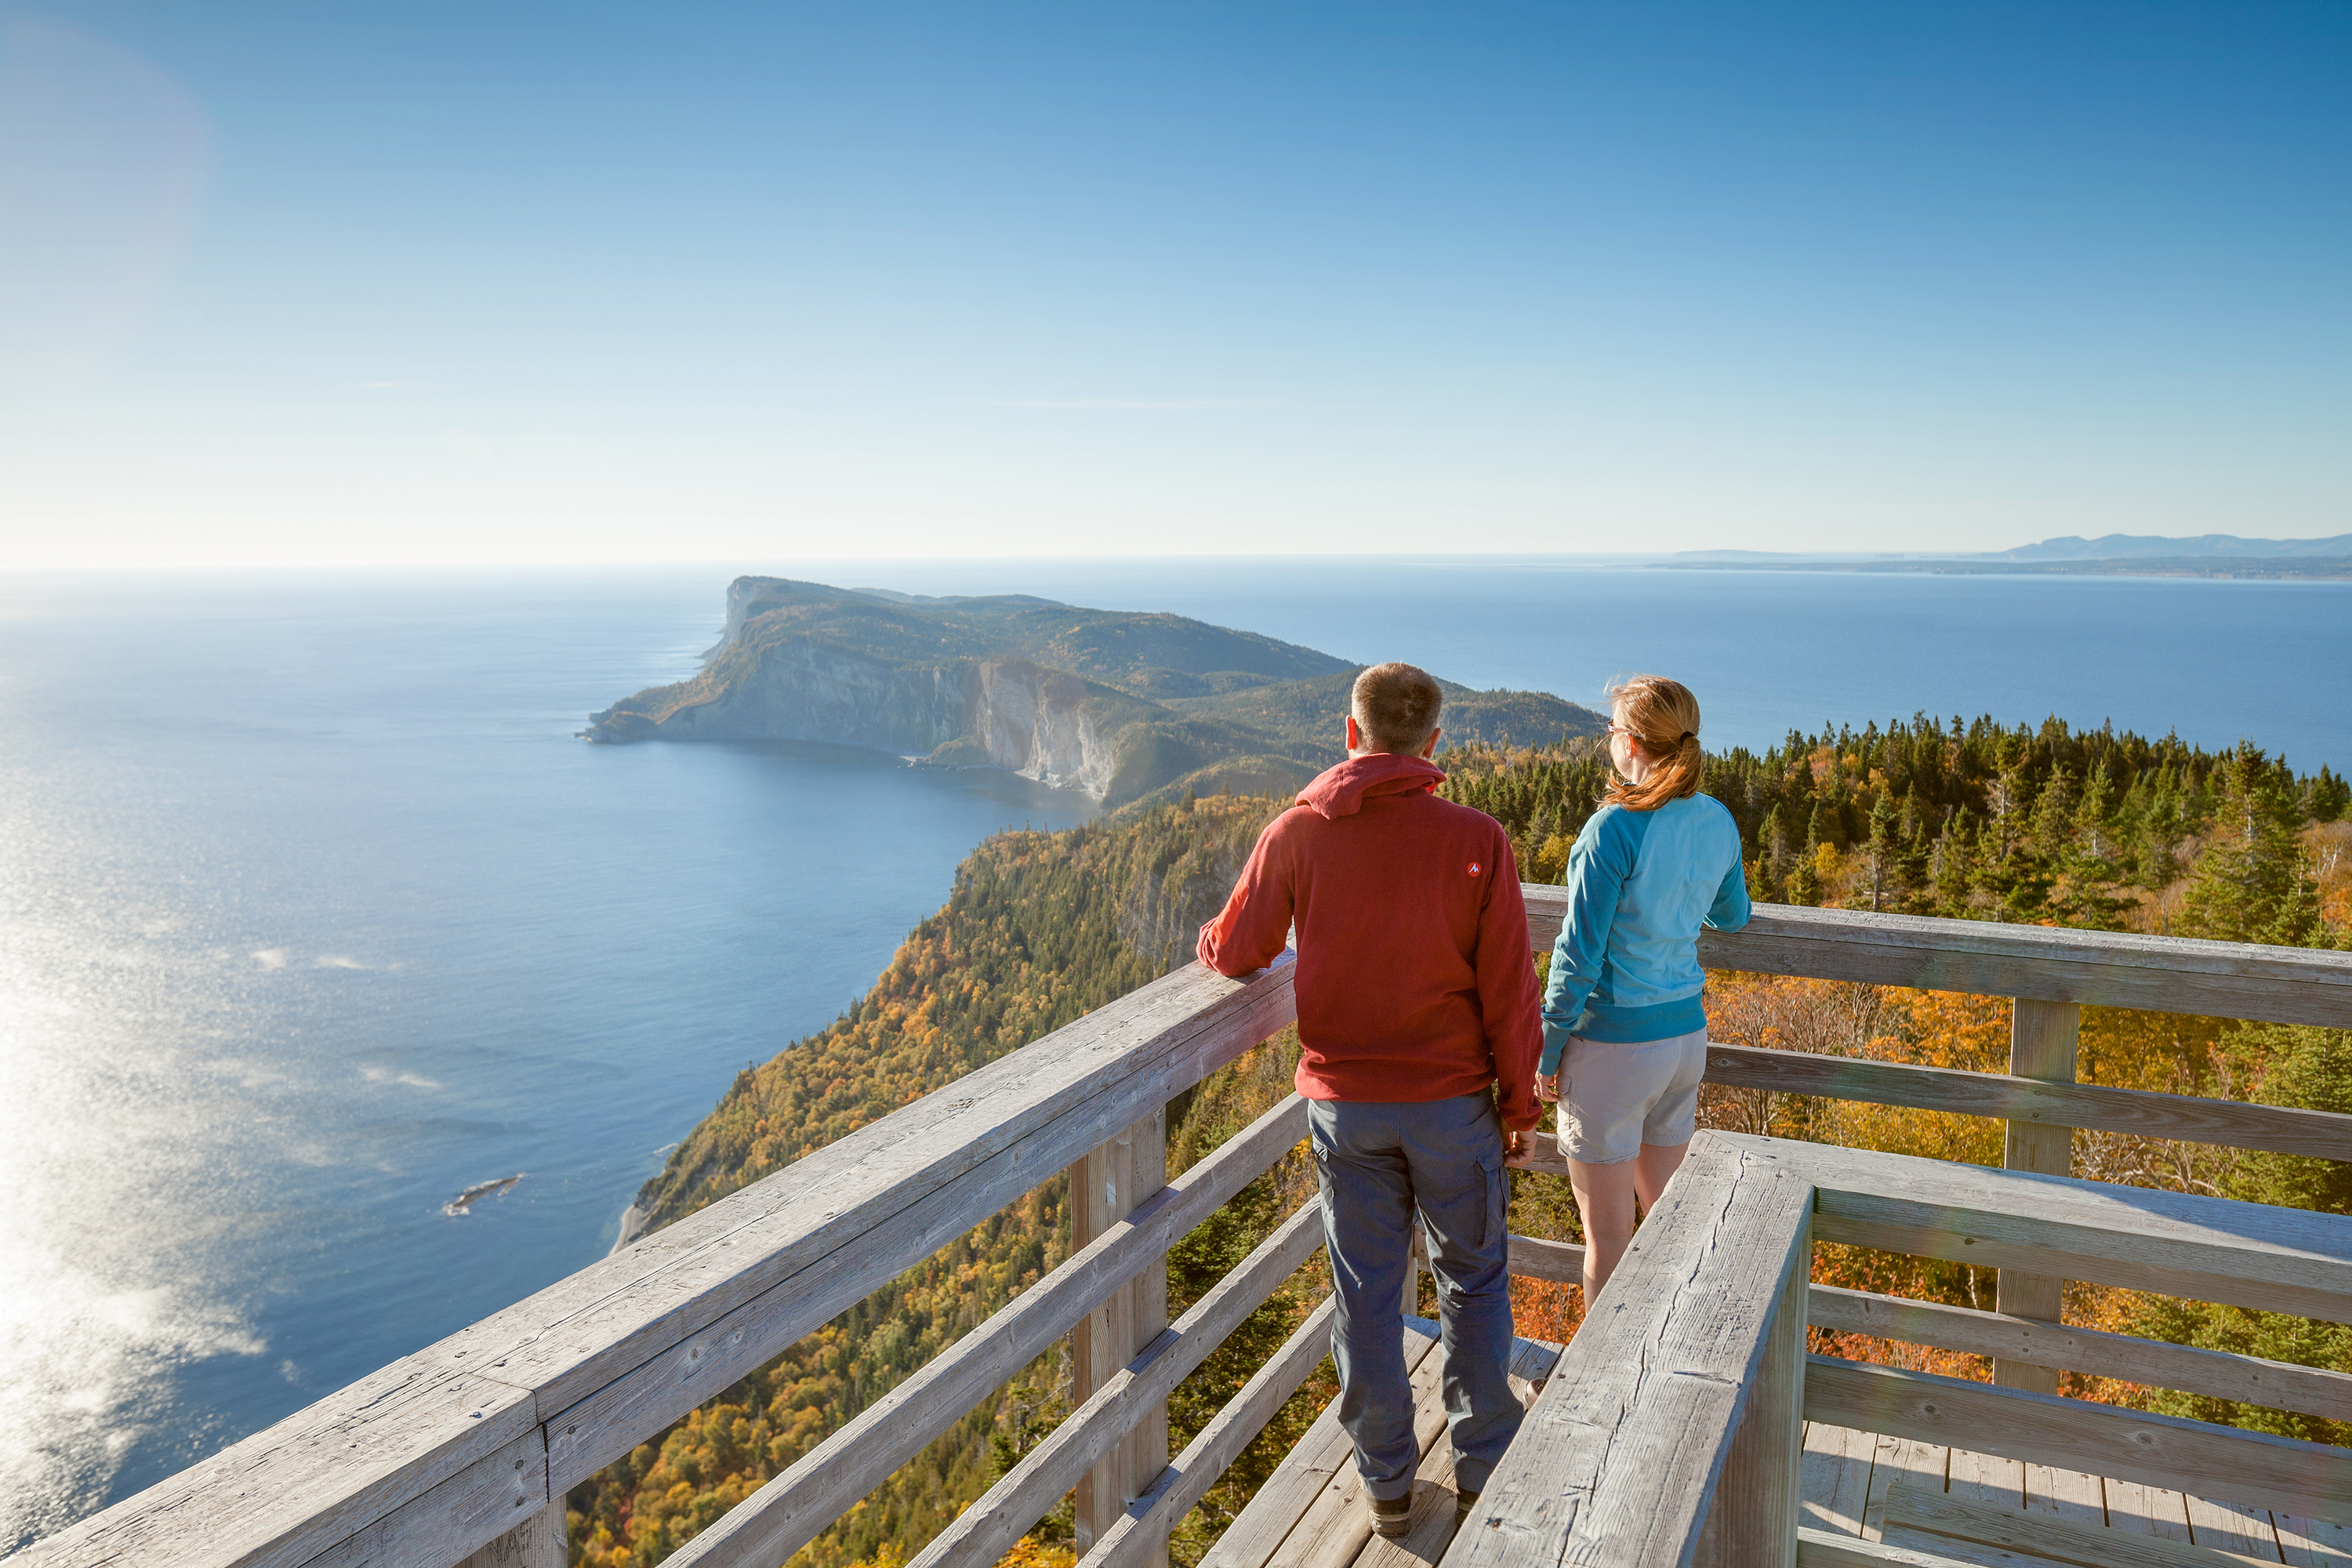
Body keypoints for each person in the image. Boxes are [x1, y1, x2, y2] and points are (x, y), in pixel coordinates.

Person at [1198, 662, 1542, 1539]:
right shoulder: (1476, 836)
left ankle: (1387, 1483)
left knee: (1366, 1293)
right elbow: (1508, 986)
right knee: (1472, 1276)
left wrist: (1209, 936)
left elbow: (1238, 949)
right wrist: (1518, 1105)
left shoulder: (1299, 833)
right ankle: (1484, 1461)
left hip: (1347, 1107)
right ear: (1434, 744)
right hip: (1454, 1104)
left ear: (1351, 733)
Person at [1538, 673, 1751, 1303]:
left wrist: (1545, 1054)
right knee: (1667, 1226)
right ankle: (1663, 1366)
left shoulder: (1612, 830)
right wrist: (1682, 900)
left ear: (1629, 743)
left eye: (1610, 731)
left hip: (1613, 1051)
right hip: (1684, 1039)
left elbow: (1576, 957)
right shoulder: (1716, 818)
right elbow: (1733, 916)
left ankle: (1603, 1395)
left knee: (1609, 1241)